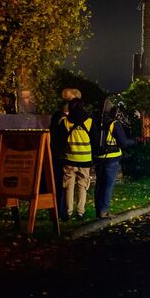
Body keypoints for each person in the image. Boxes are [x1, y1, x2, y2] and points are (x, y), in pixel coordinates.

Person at [93, 104, 135, 218]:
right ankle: (104, 211)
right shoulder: (114, 124)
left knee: (99, 185)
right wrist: (133, 141)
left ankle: (98, 210)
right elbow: (123, 142)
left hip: (98, 157)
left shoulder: (95, 122)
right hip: (112, 158)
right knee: (108, 185)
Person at [49, 88, 81, 220]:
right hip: (62, 155)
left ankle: (58, 211)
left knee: (60, 184)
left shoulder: (57, 115)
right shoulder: (64, 117)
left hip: (57, 153)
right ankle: (61, 212)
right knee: (61, 184)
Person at [60, 97, 93, 220]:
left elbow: (60, 140)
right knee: (82, 186)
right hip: (85, 159)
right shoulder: (89, 121)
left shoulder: (65, 122)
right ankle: (80, 212)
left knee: (69, 186)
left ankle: (68, 212)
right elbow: (94, 139)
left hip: (69, 159)